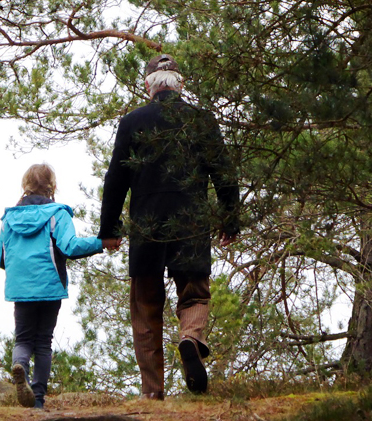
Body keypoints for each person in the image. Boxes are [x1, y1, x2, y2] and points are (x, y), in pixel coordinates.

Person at [98, 54, 240, 399]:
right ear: (180, 84)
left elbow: (116, 177)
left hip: (147, 226)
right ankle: (191, 339)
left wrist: (110, 228)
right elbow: (224, 174)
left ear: (149, 85)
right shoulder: (202, 120)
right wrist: (229, 220)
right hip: (191, 222)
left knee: (145, 307)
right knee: (194, 293)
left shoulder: (133, 121)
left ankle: (152, 393)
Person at [0, 163, 119, 409]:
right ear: (52, 186)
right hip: (50, 286)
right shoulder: (57, 214)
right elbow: (70, 247)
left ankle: (20, 368)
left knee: (23, 339)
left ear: (25, 185)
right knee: (43, 342)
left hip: (21, 288)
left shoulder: (8, 218)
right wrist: (101, 242)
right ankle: (38, 398)